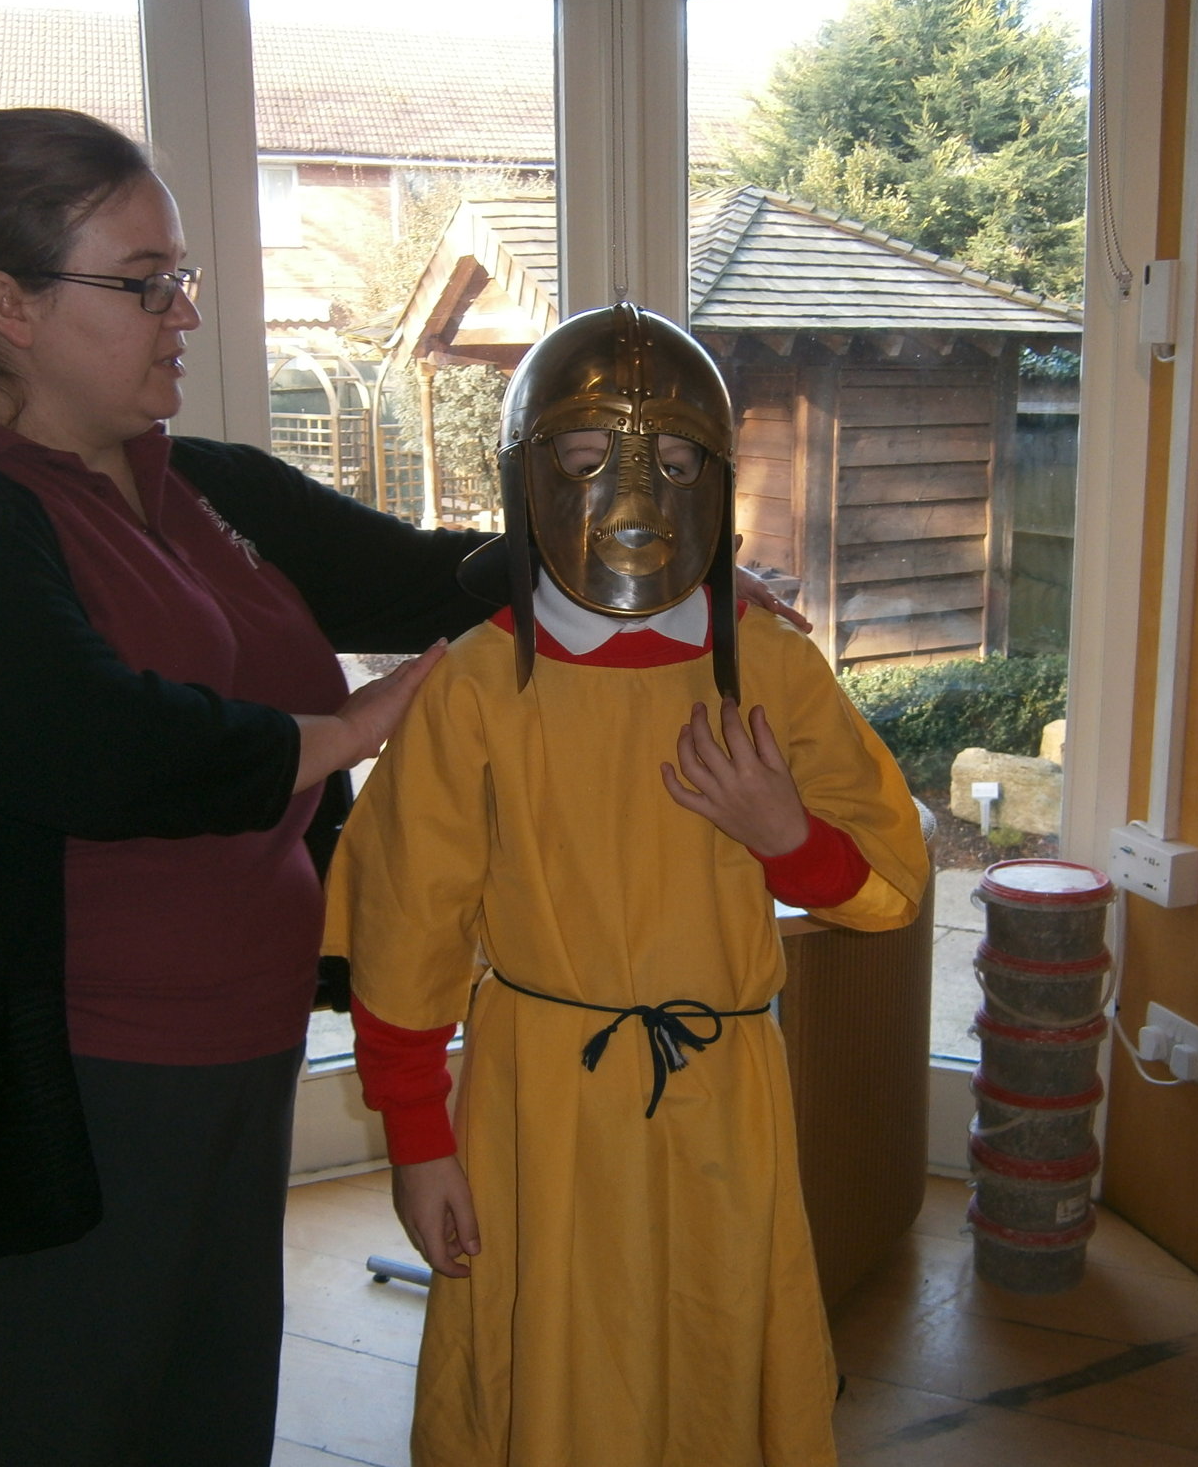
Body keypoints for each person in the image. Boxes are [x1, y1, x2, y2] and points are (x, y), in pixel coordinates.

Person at [0, 106, 500, 1467]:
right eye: (142, 281)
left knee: (198, 1409)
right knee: (36, 1421)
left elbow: (423, 575)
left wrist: (636, 554)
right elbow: (94, 744)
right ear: (9, 306)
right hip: (36, 1099)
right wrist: (340, 732)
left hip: (228, 1058)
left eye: (180, 276)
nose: (182, 312)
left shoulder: (202, 485)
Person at [334, 303, 931, 1466]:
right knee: (553, 1364)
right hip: (538, 1108)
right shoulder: (473, 688)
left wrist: (784, 836)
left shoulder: (764, 663)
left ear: (713, 478)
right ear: (531, 478)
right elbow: (407, 926)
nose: (631, 496)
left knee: (715, 1348)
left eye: (669, 462)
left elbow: (888, 891)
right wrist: (419, 1135)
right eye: (583, 458)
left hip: (721, 1092)